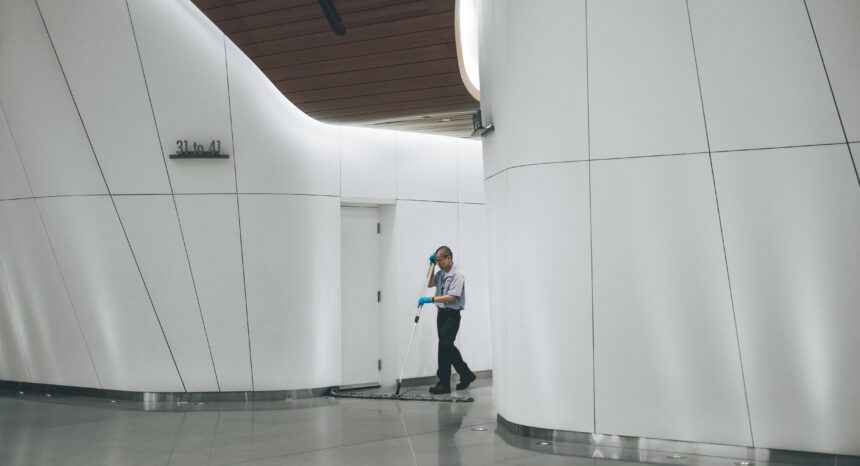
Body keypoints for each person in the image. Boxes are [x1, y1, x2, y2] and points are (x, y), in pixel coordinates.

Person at [418, 246, 476, 394]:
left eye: (440, 261)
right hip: (442, 313)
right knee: (447, 346)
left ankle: (444, 383)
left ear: (449, 258)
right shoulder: (441, 272)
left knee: (444, 346)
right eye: (436, 261)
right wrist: (430, 265)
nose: (439, 264)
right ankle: (466, 374)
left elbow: (453, 296)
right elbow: (430, 283)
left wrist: (431, 299)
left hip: (452, 314)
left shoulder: (458, 275)